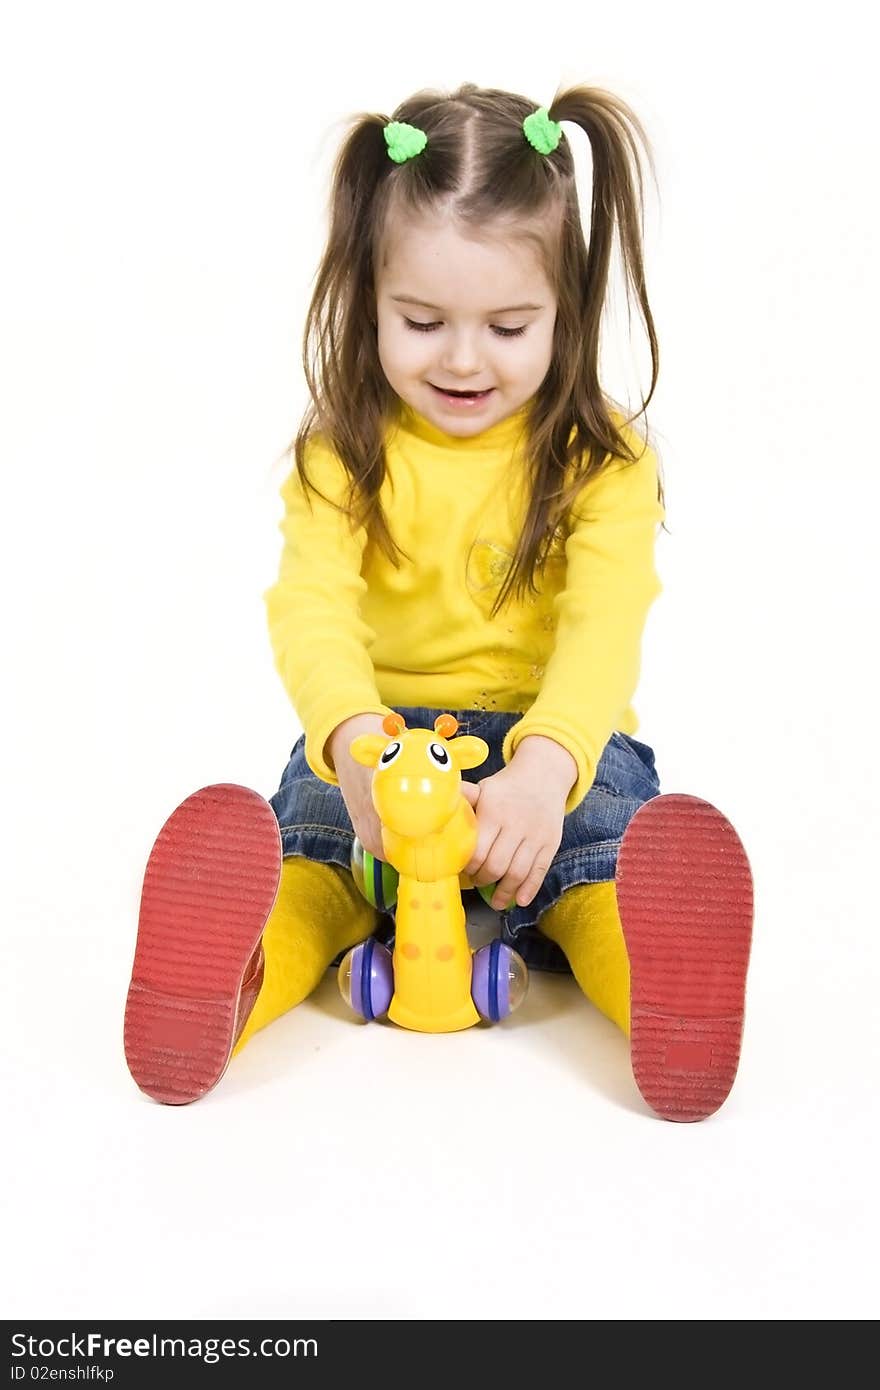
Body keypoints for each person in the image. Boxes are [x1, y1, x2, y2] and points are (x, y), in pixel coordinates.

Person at [123, 81, 754, 1121]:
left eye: (509, 325)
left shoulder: (604, 462)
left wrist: (545, 774)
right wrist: (355, 746)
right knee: (317, 866)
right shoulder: (341, 454)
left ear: (569, 309)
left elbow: (603, 630)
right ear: (368, 299)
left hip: (552, 758)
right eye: (421, 321)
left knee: (595, 873)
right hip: (378, 752)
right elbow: (309, 605)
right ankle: (227, 990)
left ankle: (667, 1008)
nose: (463, 358)